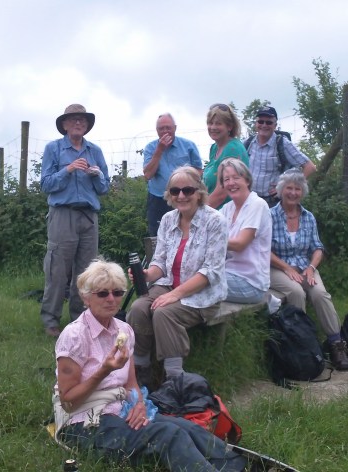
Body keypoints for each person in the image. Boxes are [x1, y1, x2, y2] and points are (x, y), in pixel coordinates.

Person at [53, 259, 246, 471]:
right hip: (84, 422)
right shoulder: (75, 335)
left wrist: (139, 404)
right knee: (168, 436)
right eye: (102, 294)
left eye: (117, 293)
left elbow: (131, 383)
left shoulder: (123, 330)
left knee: (187, 428)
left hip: (121, 409)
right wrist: (104, 371)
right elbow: (68, 401)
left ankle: (238, 465)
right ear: (86, 297)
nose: (111, 299)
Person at [126, 166, 228, 384]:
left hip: (202, 293)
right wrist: (147, 275)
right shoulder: (168, 219)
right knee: (138, 309)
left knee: (164, 313)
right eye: (175, 191)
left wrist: (175, 295)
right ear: (169, 195)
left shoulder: (215, 221)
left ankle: (175, 379)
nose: (181, 196)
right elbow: (160, 262)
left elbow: (211, 271)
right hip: (169, 284)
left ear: (199, 192)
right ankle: (141, 370)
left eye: (187, 190)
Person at [269, 170, 348, 371]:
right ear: (281, 190)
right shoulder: (269, 215)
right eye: (289, 188)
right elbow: (263, 250)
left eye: (297, 189)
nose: (293, 193)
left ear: (302, 192)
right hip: (277, 267)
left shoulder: (308, 217)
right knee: (296, 292)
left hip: (305, 266)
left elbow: (317, 247)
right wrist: (286, 268)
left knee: (320, 294)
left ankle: (336, 344)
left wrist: (311, 268)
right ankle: (303, 345)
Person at [40, 104, 110, 338]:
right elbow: (46, 184)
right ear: (65, 125)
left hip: (89, 216)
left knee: (87, 272)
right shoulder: (54, 149)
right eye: (73, 119)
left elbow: (104, 188)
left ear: (87, 125)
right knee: (57, 270)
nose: (79, 123)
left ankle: (80, 320)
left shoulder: (95, 151)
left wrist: (97, 175)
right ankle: (51, 320)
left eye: (82, 120)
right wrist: (68, 169)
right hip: (63, 214)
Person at [217, 158, 281, 313]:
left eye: (236, 177)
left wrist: (211, 240)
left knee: (197, 284)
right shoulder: (227, 208)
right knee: (190, 277)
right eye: (226, 179)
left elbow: (240, 244)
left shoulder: (257, 204)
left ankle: (268, 307)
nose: (231, 183)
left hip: (251, 282)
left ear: (247, 180)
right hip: (228, 272)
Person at [143, 113, 203, 237]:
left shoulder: (188, 146)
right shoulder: (150, 148)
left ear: (175, 128)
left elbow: (198, 172)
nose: (165, 131)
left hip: (185, 197)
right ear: (157, 130)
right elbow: (148, 175)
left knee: (187, 233)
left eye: (168, 128)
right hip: (158, 199)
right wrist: (159, 150)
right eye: (161, 128)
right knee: (158, 235)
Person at [244, 105, 317, 207]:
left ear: (275, 125)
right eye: (261, 121)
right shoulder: (248, 143)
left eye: (268, 122)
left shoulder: (282, 144)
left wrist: (288, 185)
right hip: (249, 200)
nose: (264, 125)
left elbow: (310, 167)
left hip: (273, 202)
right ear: (256, 124)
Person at [202, 103, 250, 209]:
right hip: (213, 210)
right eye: (210, 123)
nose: (213, 127)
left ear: (229, 126)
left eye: (218, 124)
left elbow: (221, 193)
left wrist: (198, 213)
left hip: (228, 211)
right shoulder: (214, 148)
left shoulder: (233, 149)